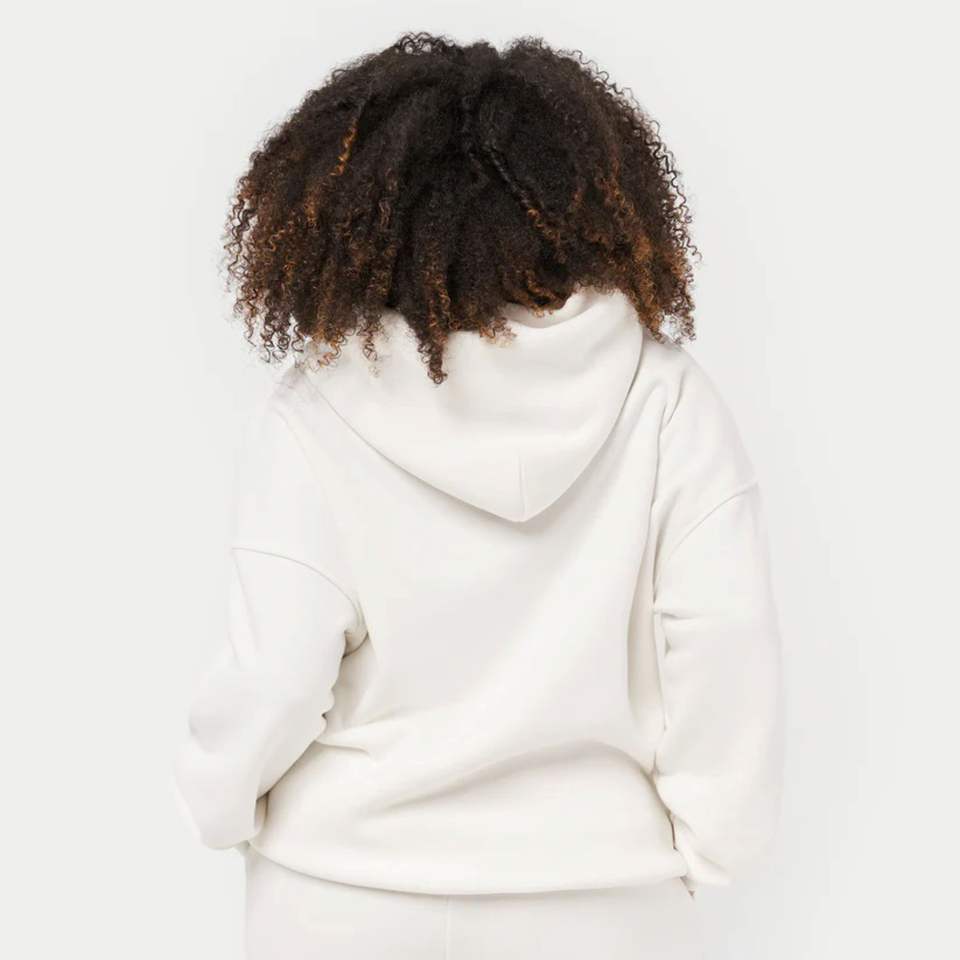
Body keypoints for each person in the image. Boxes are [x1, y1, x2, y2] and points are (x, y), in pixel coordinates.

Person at [173, 31, 784, 960]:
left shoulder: (317, 408)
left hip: (343, 899)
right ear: (591, 201)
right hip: (601, 906)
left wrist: (216, 802)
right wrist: (713, 848)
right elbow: (723, 641)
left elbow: (275, 673)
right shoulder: (667, 400)